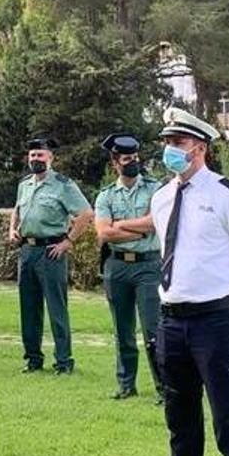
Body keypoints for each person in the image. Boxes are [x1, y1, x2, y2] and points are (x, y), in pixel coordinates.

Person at [117, 107, 229, 456]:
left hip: (216, 321)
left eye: (179, 141)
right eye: (167, 141)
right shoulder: (162, 198)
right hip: (172, 323)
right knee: (181, 426)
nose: (170, 149)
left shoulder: (228, 196)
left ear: (200, 147)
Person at [8, 135, 94, 375]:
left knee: (56, 309)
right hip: (27, 251)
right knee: (29, 308)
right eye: (32, 155)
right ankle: (33, 359)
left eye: (40, 154)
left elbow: (86, 213)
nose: (36, 158)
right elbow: (16, 209)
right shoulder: (25, 184)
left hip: (51, 252)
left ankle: (64, 361)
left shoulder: (63, 185)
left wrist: (68, 241)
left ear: (51, 158)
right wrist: (12, 229)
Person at [94, 132, 164, 402]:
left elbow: (155, 222)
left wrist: (121, 225)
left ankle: (164, 387)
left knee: (153, 330)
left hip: (149, 266)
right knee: (122, 330)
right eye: (126, 159)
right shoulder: (106, 196)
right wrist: (138, 229)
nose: (133, 162)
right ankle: (126, 384)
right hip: (117, 267)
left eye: (135, 157)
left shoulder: (155, 189)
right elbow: (104, 233)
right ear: (115, 163)